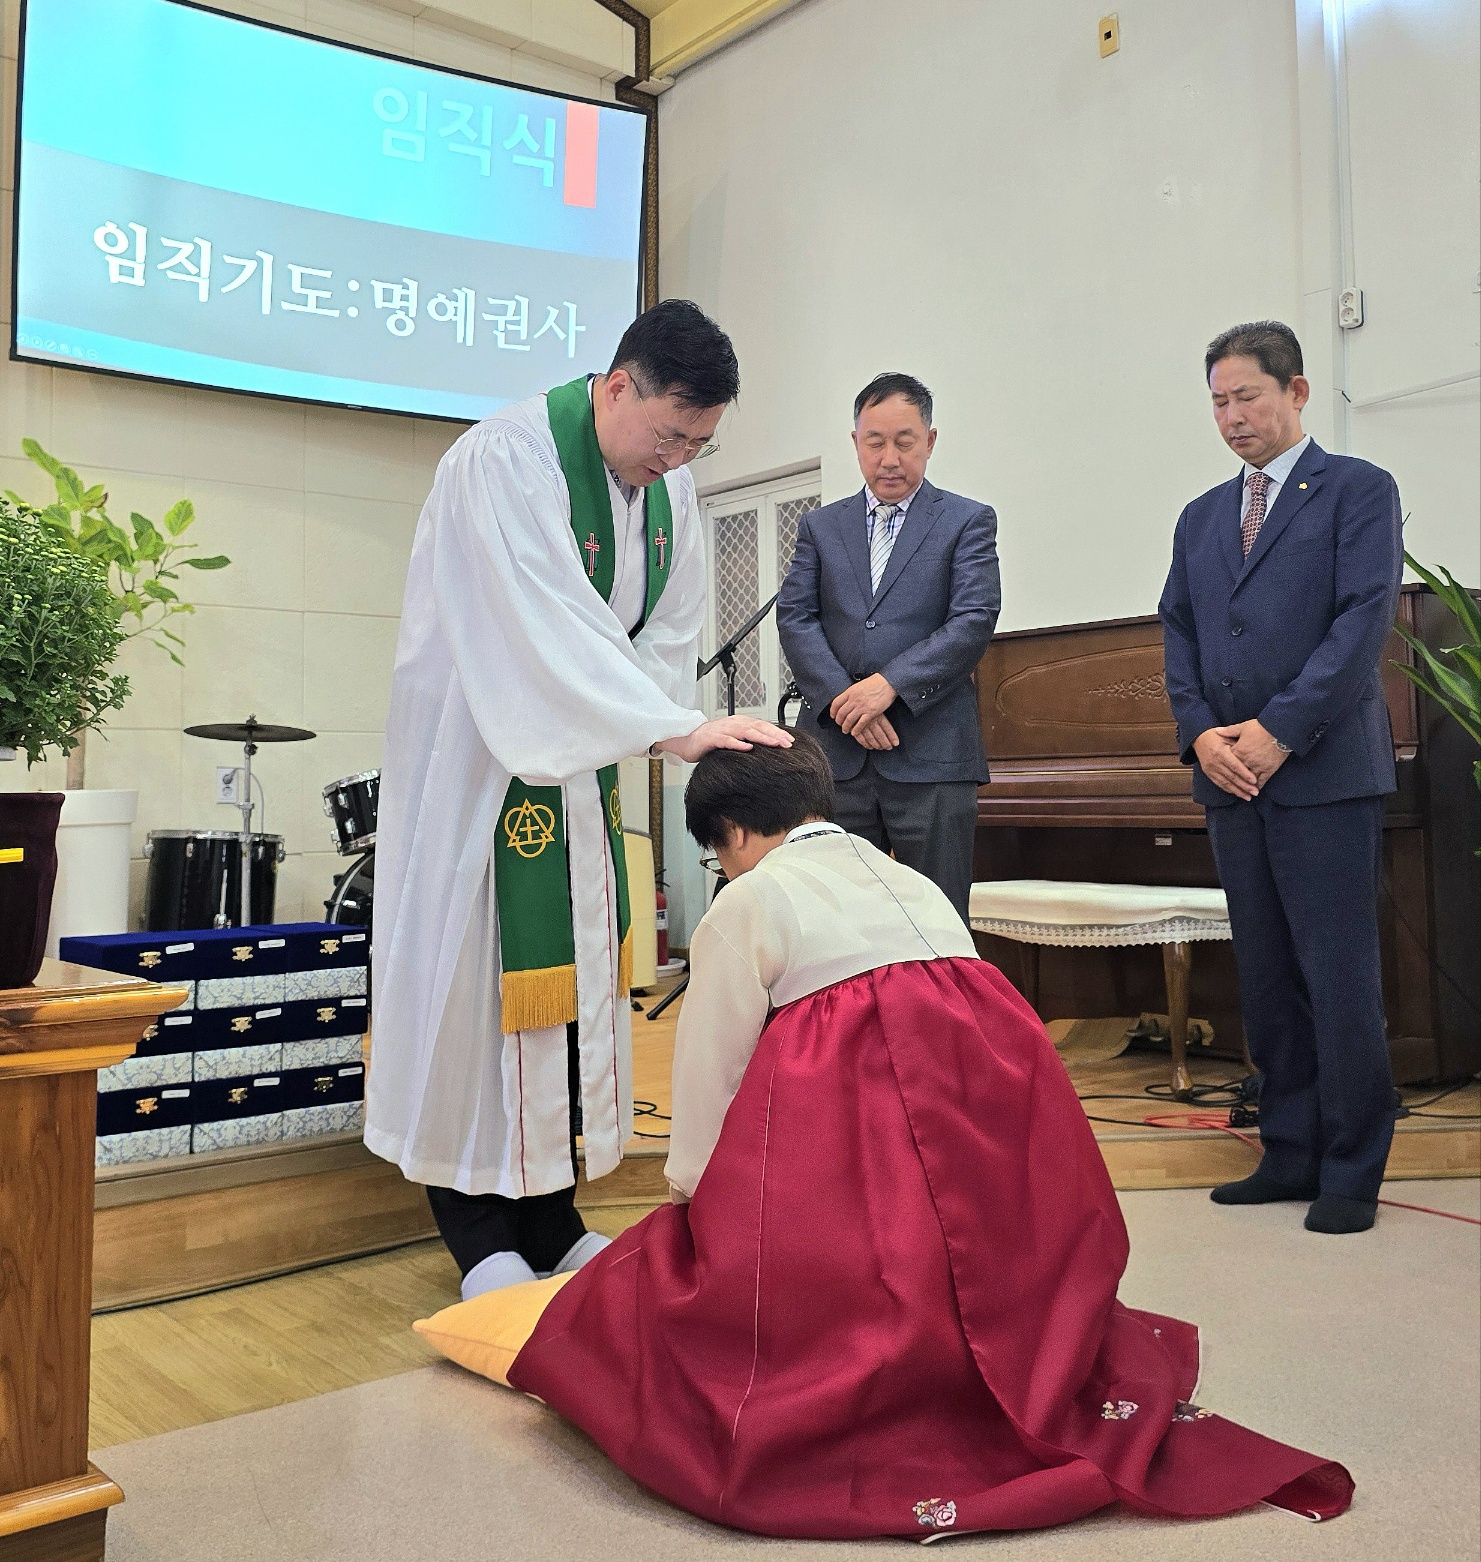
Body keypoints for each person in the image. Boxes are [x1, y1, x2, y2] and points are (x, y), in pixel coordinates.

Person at [417, 734, 1354, 1541]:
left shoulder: (750, 899)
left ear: (731, 834)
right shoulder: (904, 876)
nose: (724, 872)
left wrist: (692, 1191)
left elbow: (713, 1065)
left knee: (670, 1292)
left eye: (716, 857)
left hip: (867, 1144)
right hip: (1004, 1146)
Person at [368, 300, 790, 1300]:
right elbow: (537, 625)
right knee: (478, 992)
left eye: (698, 443)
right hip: (482, 765)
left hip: (576, 764)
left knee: (567, 996)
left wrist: (658, 717)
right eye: (668, 434)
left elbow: (664, 634)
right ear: (616, 387)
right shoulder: (502, 460)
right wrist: (666, 726)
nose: (676, 459)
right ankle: (477, 1232)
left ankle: (550, 1219)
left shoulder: (667, 489)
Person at [1159, 320, 1404, 1236]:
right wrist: (1200, 735)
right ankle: (1289, 1150)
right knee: (1264, 977)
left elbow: (1360, 623)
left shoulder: (1356, 490)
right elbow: (1178, 631)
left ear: (1295, 392)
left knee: (1336, 977)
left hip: (1322, 773)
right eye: (1217, 401)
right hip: (1229, 778)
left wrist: (1277, 732)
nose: (1231, 416)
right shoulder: (1199, 516)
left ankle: (1352, 1166)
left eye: (1247, 397)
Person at [776, 372, 999, 922]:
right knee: (838, 920)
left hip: (933, 757)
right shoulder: (821, 527)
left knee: (937, 919)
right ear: (856, 443)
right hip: (836, 761)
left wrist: (888, 687)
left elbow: (973, 619)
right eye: (875, 443)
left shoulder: (966, 520)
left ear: (930, 441)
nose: (889, 459)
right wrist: (844, 701)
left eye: (904, 442)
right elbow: (796, 617)